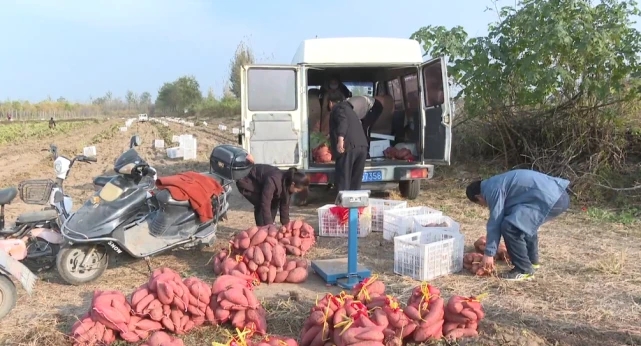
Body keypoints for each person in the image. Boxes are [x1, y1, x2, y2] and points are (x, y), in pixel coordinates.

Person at [466, 169, 570, 281]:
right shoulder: (496, 182)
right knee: (520, 223)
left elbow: (495, 221)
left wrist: (489, 254)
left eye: (481, 204)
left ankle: (523, 270)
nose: (484, 206)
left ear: (479, 197)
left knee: (510, 227)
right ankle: (531, 261)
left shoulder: (492, 189)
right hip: (558, 195)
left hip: (551, 198)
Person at [236, 163, 310, 226]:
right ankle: (262, 229)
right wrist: (269, 224)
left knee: (275, 201)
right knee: (261, 204)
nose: (296, 192)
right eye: (297, 190)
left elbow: (285, 204)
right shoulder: (274, 181)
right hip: (247, 182)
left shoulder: (287, 183)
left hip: (262, 184)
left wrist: (286, 224)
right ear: (293, 184)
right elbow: (265, 203)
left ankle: (268, 226)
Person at [327, 92, 369, 192]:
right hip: (362, 146)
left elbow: (343, 122)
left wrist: (340, 140)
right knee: (355, 180)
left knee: (343, 178)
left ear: (330, 102)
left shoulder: (338, 109)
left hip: (349, 147)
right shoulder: (349, 110)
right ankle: (354, 204)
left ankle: (343, 204)